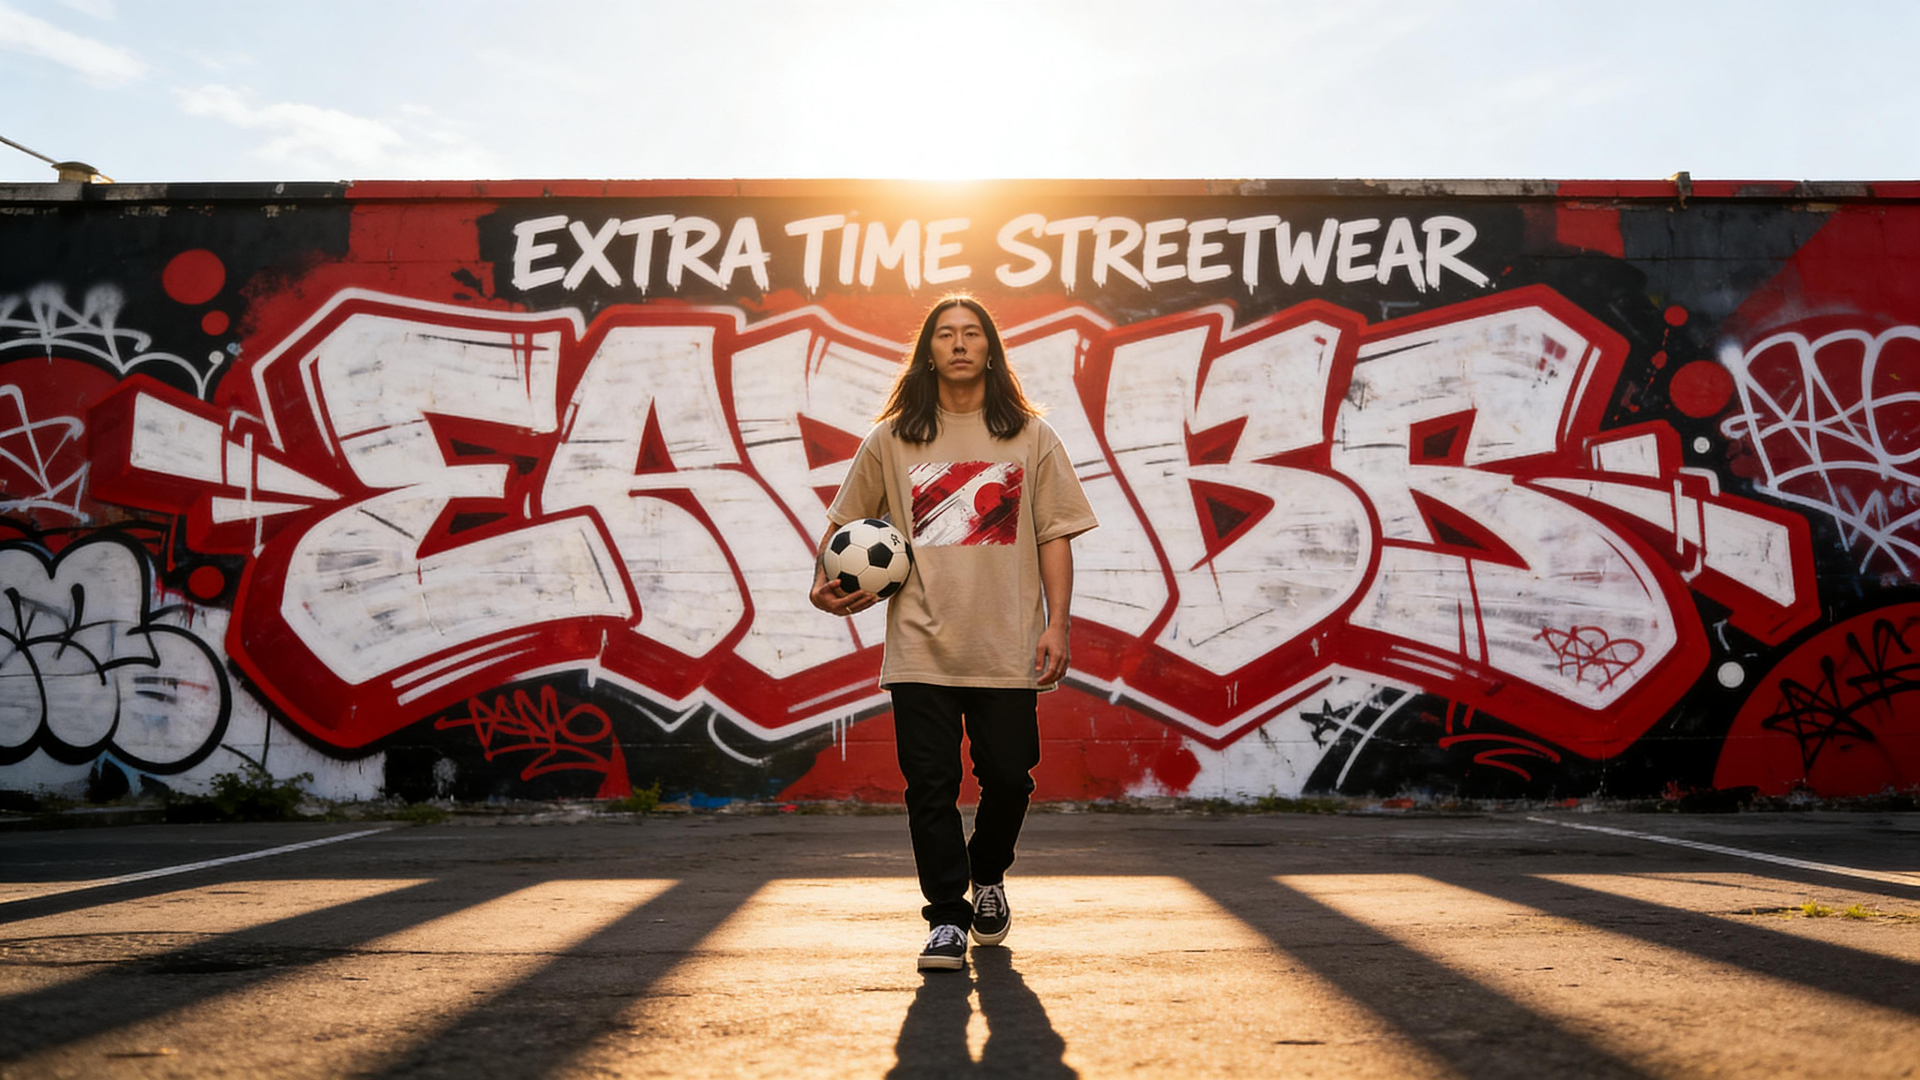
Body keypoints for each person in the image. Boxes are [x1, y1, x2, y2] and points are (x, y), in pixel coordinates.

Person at [810, 295, 1097, 973]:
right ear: (929, 350)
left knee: (1009, 778)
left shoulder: (1029, 436)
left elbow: (1054, 534)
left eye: (972, 334)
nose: (960, 344)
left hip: (1004, 644)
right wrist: (826, 585)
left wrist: (1058, 623)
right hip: (919, 647)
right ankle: (945, 918)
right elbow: (846, 529)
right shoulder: (892, 437)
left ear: (990, 350)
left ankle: (988, 873)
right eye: (946, 334)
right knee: (929, 786)